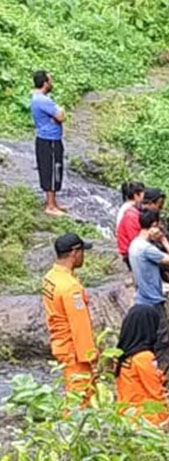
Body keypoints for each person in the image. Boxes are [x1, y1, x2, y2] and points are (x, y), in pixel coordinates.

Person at [42, 233, 96, 397]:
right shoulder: (71, 288)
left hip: (60, 344)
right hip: (74, 351)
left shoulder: (50, 277)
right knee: (79, 396)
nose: (83, 256)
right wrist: (90, 355)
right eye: (82, 252)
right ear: (74, 253)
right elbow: (79, 325)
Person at [128, 209, 169, 373]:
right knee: (162, 342)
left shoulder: (134, 244)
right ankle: (159, 381)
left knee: (147, 342)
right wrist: (164, 240)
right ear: (154, 225)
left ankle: (146, 378)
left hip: (140, 299)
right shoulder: (146, 249)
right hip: (152, 302)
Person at [115, 305, 169, 428]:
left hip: (125, 418)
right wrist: (165, 421)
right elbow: (155, 393)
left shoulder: (123, 355)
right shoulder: (144, 357)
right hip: (145, 421)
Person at [30, 71, 66, 217]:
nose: (52, 83)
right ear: (45, 83)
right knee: (50, 170)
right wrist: (60, 112)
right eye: (50, 80)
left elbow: (57, 117)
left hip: (50, 139)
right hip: (48, 140)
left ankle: (54, 203)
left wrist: (56, 116)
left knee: (54, 169)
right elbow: (61, 116)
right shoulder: (43, 101)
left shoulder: (40, 98)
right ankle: (50, 206)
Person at [117, 187, 164, 263]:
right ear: (150, 203)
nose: (160, 209)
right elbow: (136, 243)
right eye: (160, 206)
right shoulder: (132, 216)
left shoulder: (145, 213)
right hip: (131, 254)